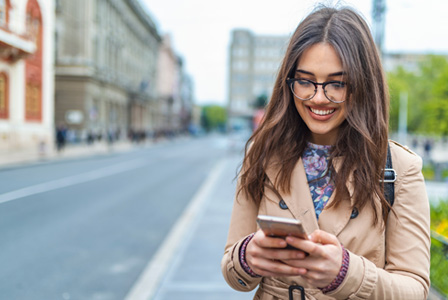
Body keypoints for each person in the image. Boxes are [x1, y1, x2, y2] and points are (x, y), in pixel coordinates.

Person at [221, 5, 430, 300]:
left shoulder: (400, 167)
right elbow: (234, 274)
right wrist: (247, 257)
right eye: (305, 81)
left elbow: (415, 290)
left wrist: (346, 273)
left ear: (362, 85)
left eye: (336, 84)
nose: (318, 97)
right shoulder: (262, 152)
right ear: (288, 81)